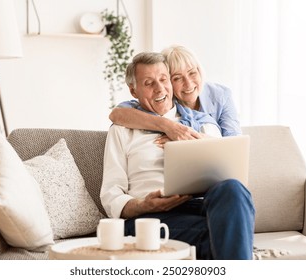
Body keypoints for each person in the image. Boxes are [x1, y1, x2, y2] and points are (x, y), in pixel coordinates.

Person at [100, 52, 255, 260]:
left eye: (164, 79)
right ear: (133, 91)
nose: (159, 88)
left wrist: (192, 142)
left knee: (233, 189)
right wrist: (143, 205)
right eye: (149, 83)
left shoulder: (203, 124)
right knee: (229, 234)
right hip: (150, 218)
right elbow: (111, 194)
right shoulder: (121, 130)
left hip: (201, 208)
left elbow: (229, 172)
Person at [109, 45, 241, 143]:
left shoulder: (220, 95)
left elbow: (235, 144)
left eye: (192, 73)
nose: (188, 84)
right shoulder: (163, 101)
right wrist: (168, 126)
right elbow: (117, 114)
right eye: (177, 78)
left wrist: (189, 139)